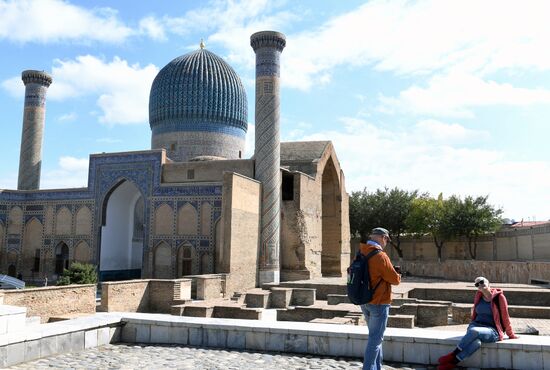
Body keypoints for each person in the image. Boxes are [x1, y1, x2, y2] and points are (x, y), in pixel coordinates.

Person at [437, 276, 518, 370]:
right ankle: (453, 363)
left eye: (482, 282)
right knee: (477, 343)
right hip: (476, 325)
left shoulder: (499, 297)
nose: (480, 284)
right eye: (477, 284)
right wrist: (471, 324)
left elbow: (505, 316)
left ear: (488, 283)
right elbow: (475, 313)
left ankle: (453, 354)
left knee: (475, 331)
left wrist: (510, 334)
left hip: (492, 330)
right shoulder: (478, 297)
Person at [359, 227, 401, 370]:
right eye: (387, 240)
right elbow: (394, 279)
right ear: (383, 237)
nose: (386, 243)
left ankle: (377, 367)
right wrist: (398, 274)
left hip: (364, 301)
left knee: (375, 337)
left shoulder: (361, 252)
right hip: (379, 302)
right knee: (375, 340)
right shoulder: (380, 256)